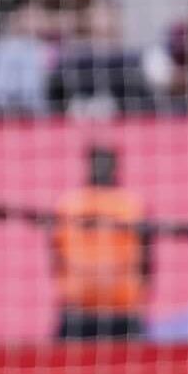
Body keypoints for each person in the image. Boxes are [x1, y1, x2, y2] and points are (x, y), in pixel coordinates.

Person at [51, 144, 151, 340]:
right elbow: (56, 254)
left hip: (122, 306)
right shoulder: (70, 205)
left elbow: (147, 254)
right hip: (80, 307)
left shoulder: (131, 205)